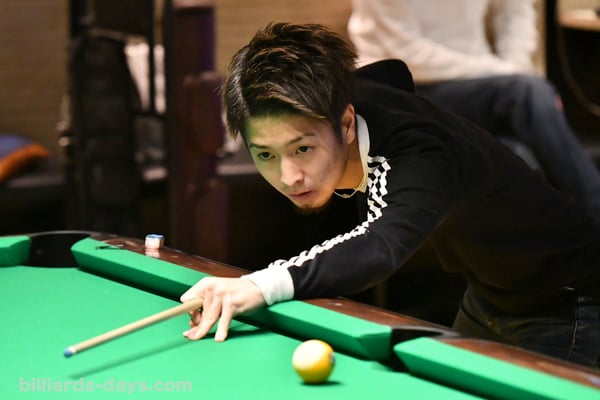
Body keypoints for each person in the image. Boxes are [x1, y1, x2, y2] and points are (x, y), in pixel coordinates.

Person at [180, 22, 600, 369]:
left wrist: (259, 285)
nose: (289, 176)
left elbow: (379, 246)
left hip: (566, 301)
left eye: (302, 149)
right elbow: (392, 73)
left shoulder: (420, 155)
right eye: (265, 155)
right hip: (491, 291)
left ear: (347, 124)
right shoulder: (337, 95)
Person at [347, 0, 600, 223]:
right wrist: (510, 78)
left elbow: (514, 12)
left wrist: (514, 69)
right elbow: (406, 52)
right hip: (405, 86)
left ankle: (566, 248)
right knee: (526, 95)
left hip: (478, 79)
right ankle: (594, 211)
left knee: (517, 152)